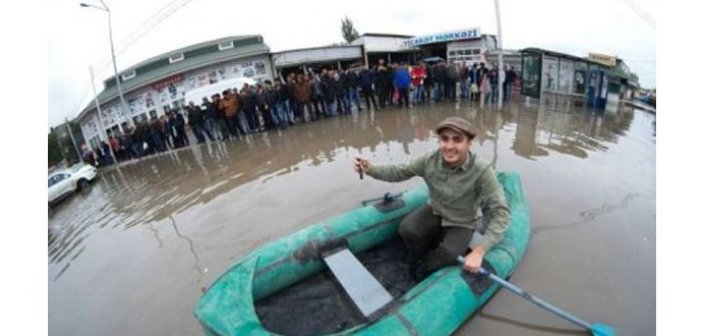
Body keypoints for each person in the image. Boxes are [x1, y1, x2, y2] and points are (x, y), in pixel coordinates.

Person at [353, 116, 511, 280]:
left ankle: (424, 270)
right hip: (435, 210)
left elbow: (501, 213)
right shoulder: (429, 159)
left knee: (447, 254)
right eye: (444, 139)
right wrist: (369, 168)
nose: (449, 146)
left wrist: (479, 251)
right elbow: (399, 171)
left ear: (469, 143)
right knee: (407, 229)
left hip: (462, 221)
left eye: (457, 140)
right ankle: (416, 257)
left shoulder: (482, 171)